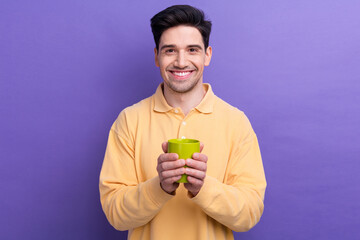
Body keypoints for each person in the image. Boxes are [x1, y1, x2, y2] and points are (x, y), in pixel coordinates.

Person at [99, 5, 267, 240]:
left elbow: (250, 214)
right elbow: (115, 214)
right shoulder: (129, 121)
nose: (181, 61)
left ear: (207, 55)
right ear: (157, 56)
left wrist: (204, 188)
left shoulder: (236, 122)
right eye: (170, 50)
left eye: (192, 50)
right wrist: (159, 187)